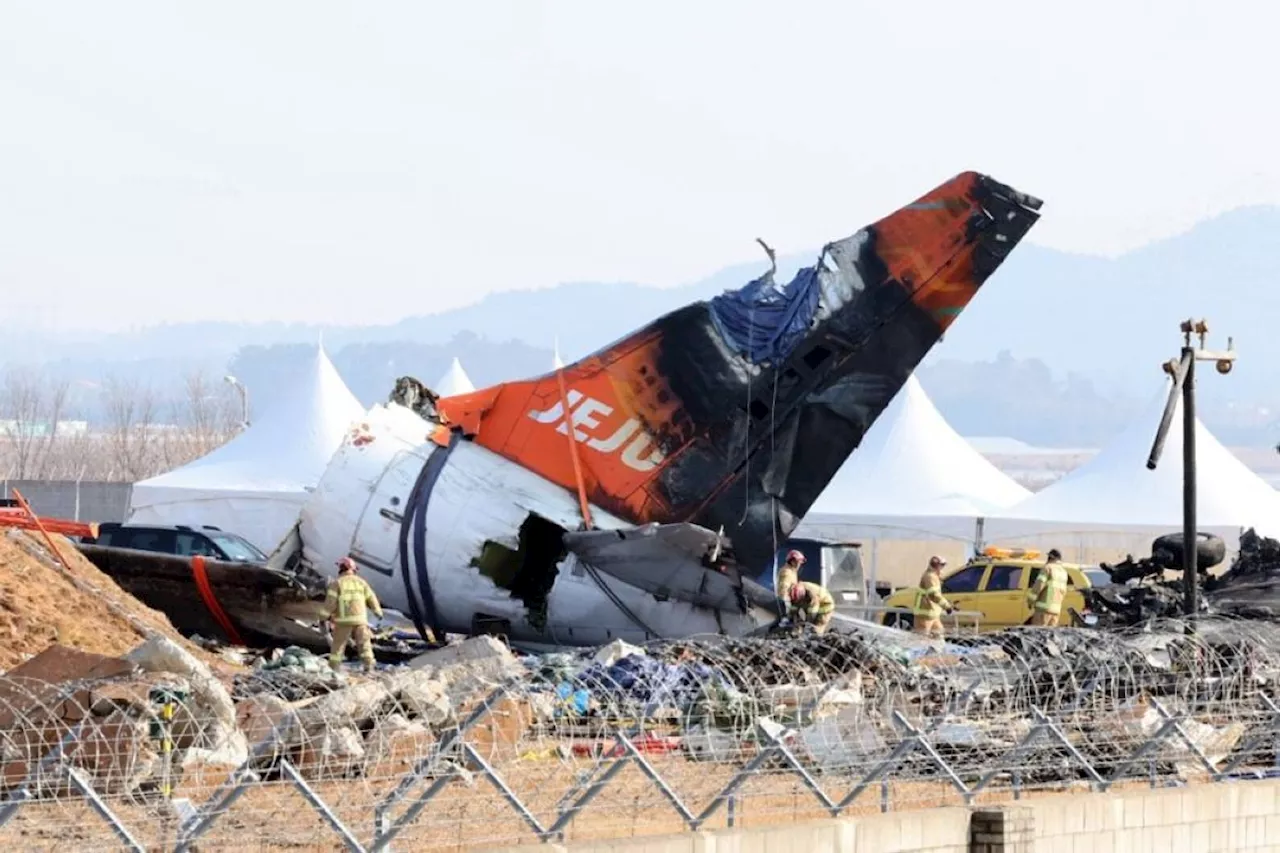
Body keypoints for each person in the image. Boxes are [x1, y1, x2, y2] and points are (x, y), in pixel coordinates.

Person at [322, 557, 384, 673]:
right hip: (360, 620)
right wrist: (378, 612)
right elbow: (372, 598)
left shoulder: (337, 583)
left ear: (341, 569)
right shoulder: (361, 582)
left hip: (343, 622)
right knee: (365, 645)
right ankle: (369, 668)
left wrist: (323, 617)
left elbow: (330, 604)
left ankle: (333, 670)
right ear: (354, 569)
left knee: (338, 648)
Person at [912, 555, 954, 639]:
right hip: (924, 614)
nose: (943, 567)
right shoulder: (930, 576)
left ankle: (938, 651)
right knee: (921, 640)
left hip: (932, 614)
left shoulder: (934, 575)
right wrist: (947, 606)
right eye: (942, 565)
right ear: (936, 565)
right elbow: (933, 595)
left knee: (938, 636)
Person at [1027, 548, 1069, 627]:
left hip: (1043, 609)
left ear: (1050, 558)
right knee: (1050, 636)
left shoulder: (1048, 568)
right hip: (1056, 610)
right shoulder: (1063, 572)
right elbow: (1064, 591)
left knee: (1038, 634)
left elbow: (1039, 586)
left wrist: (1030, 601)